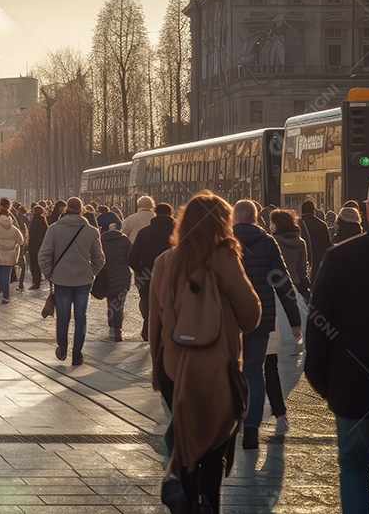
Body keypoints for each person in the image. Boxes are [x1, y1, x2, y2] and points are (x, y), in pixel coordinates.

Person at [149, 193, 261, 513]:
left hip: (174, 370)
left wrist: (158, 369)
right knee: (215, 444)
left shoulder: (163, 262)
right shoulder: (224, 257)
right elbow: (251, 316)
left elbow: (154, 325)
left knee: (187, 439)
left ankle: (184, 495)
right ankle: (208, 502)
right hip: (219, 369)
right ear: (222, 222)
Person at [306, 176, 369, 514]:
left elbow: (318, 329)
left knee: (354, 469)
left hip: (353, 389)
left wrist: (328, 387)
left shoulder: (339, 257)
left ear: (367, 211)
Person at [233, 200, 303, 451]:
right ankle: (251, 429)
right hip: (261, 317)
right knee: (254, 370)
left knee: (229, 370)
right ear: (256, 218)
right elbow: (283, 283)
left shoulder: (225, 241)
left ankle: (231, 423)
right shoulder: (267, 242)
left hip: (230, 318)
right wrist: (295, 320)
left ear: (235, 217)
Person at [39, 197, 105, 366]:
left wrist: (50, 274)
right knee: (81, 317)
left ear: (66, 209)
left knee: (63, 316)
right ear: (82, 210)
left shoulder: (53, 229)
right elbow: (99, 258)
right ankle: (77, 354)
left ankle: (62, 346)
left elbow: (43, 255)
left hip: (61, 280)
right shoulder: (91, 231)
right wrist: (92, 273)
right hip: (83, 280)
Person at [266, 209, 308, 436]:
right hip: (293, 291)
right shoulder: (300, 241)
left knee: (270, 352)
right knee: (291, 333)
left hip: (275, 292)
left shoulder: (272, 241)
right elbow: (302, 271)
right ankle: (296, 342)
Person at [127, 203, 175, 341]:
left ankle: (148, 325)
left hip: (148, 277)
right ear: (171, 214)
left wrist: (142, 271)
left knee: (148, 302)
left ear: (155, 213)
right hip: (171, 277)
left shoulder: (144, 233)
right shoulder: (179, 233)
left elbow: (131, 258)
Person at [93, 223, 132, 341]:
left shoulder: (101, 241)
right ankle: (117, 329)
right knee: (119, 303)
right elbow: (131, 256)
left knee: (111, 302)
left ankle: (112, 329)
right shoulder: (125, 240)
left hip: (106, 276)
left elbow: (96, 257)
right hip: (122, 276)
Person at [0, 212, 25, 304]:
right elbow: (21, 240)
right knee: (6, 276)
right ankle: (6, 296)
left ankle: (0, 286)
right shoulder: (14, 229)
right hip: (10, 255)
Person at [298, 199, 332, 280]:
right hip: (318, 262)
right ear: (314, 211)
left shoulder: (297, 224)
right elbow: (327, 245)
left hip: (302, 262)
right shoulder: (322, 225)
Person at [25, 205, 48, 290]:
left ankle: (36, 280)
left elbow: (30, 234)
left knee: (34, 263)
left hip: (33, 246)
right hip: (42, 245)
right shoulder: (43, 221)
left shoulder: (33, 221)